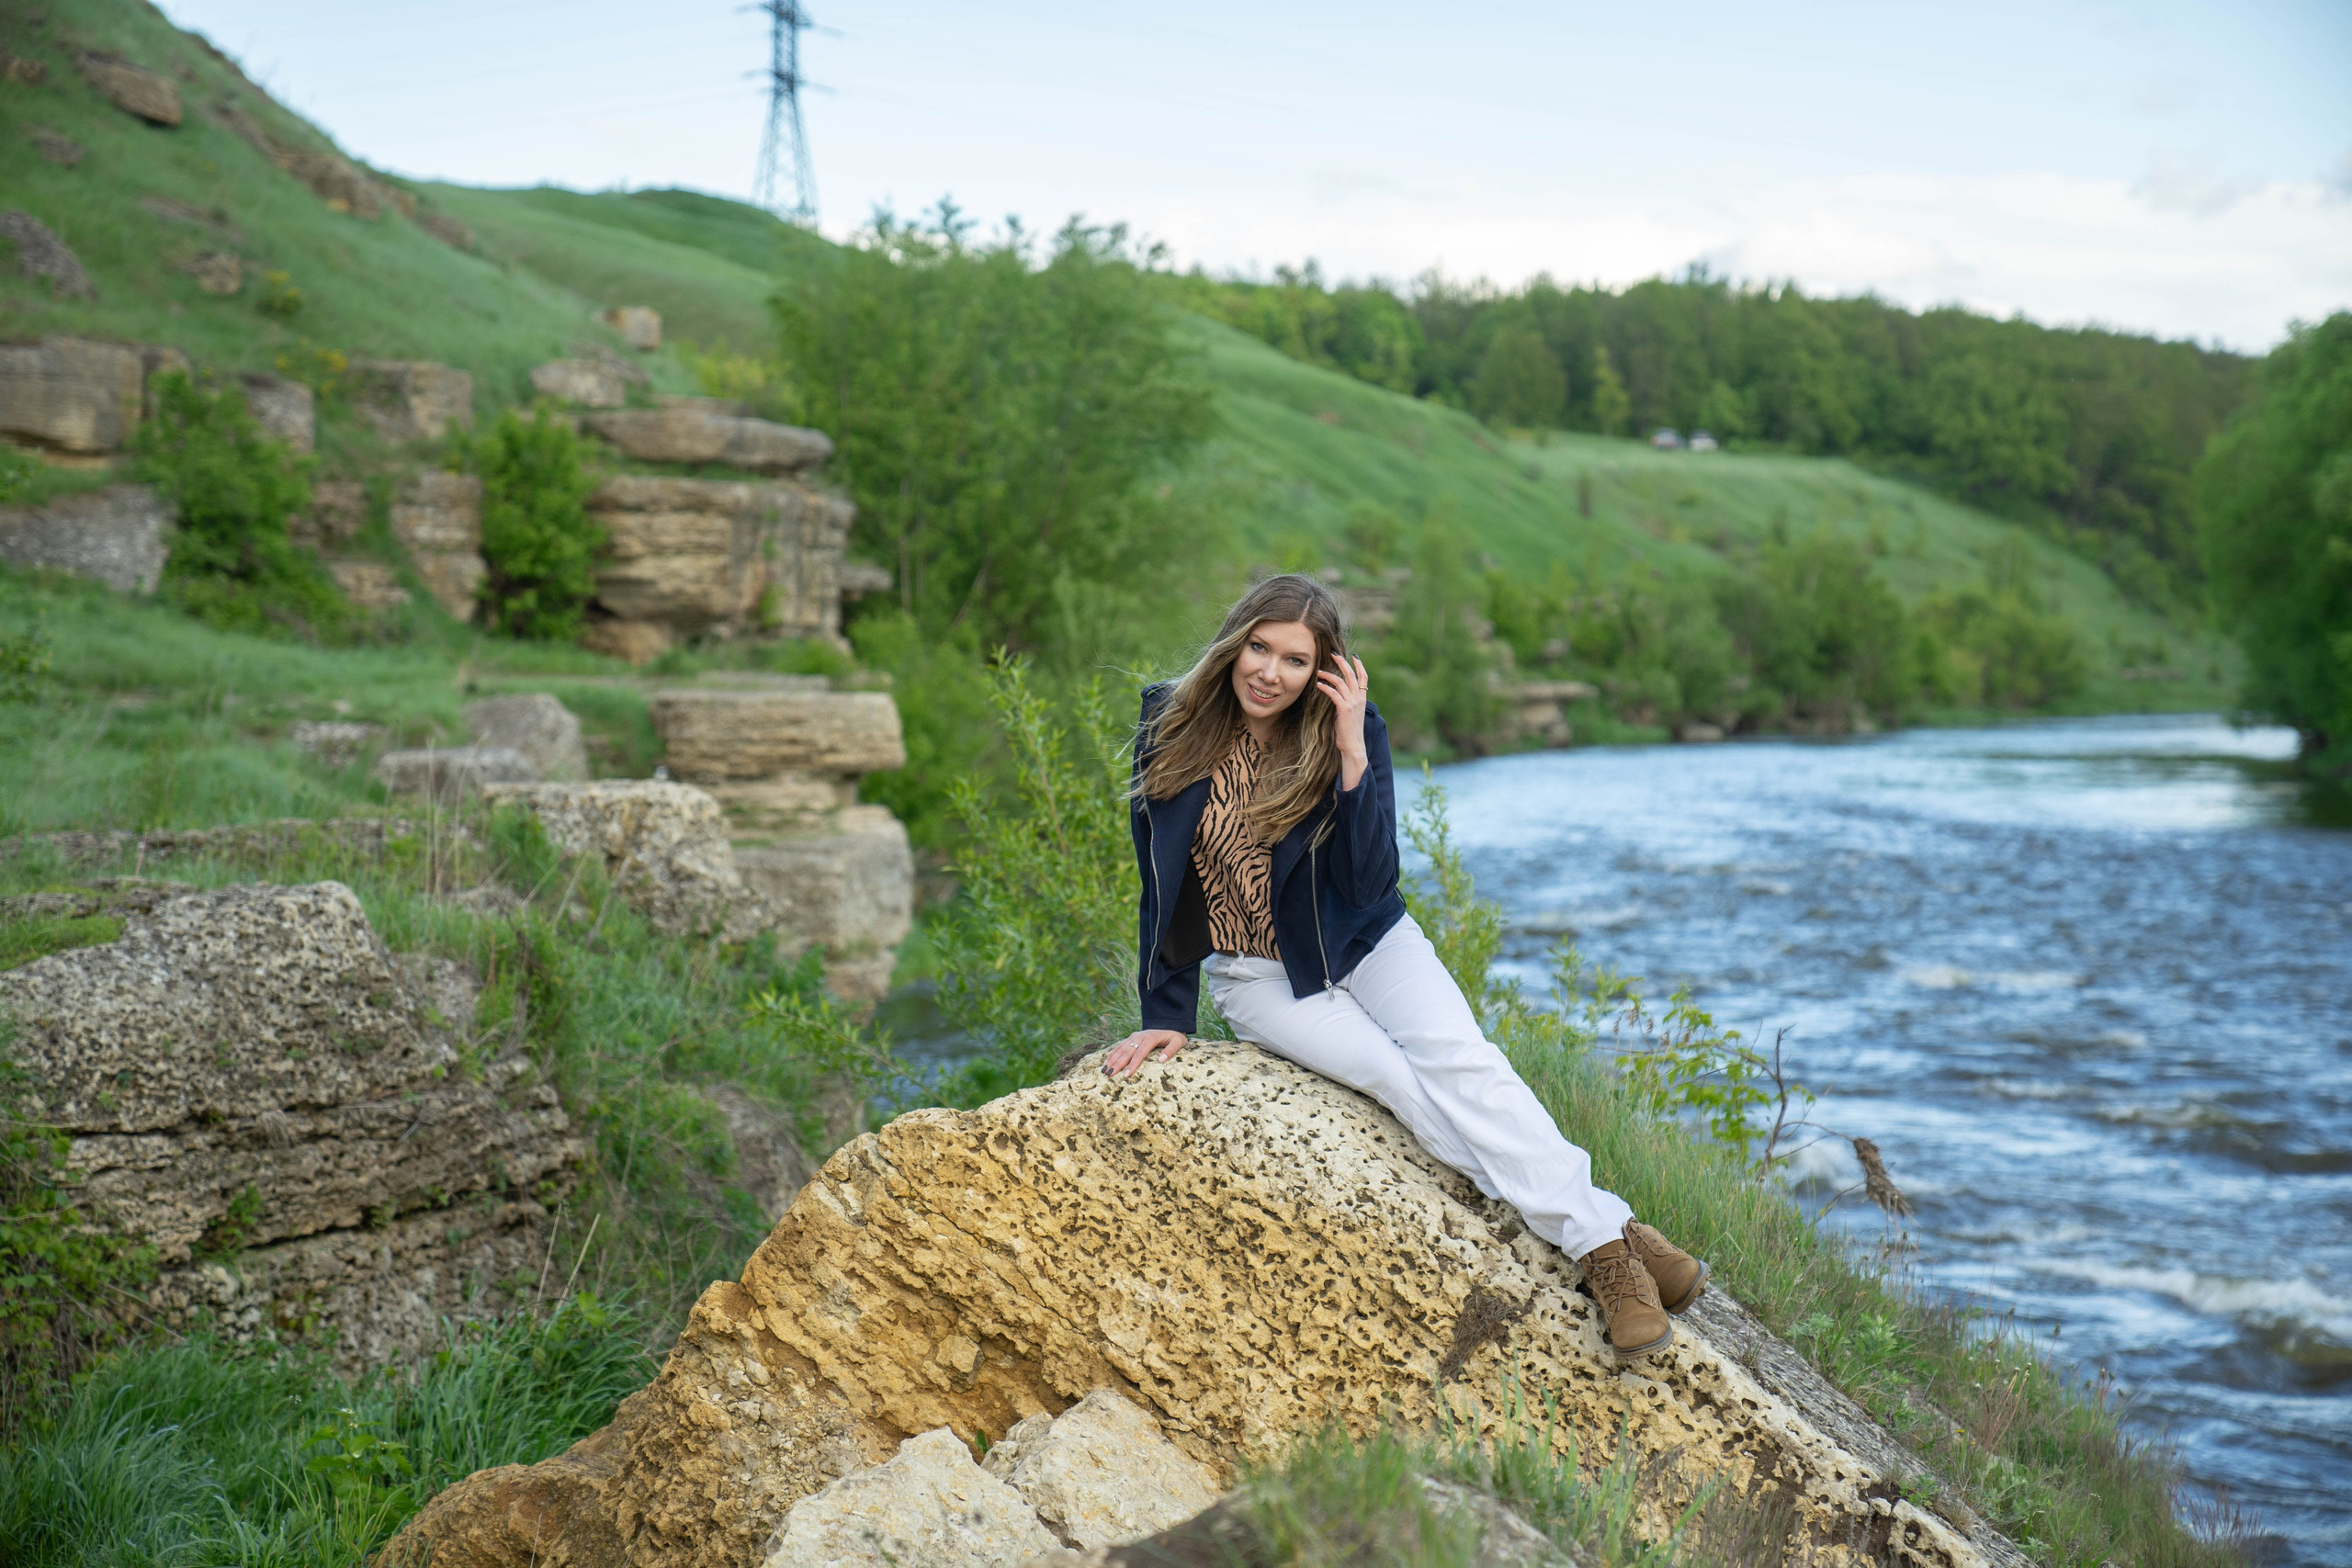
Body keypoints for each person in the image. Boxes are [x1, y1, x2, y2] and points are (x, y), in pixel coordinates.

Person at [1103, 574, 1709, 1359]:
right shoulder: (1170, 718)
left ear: (1321, 670)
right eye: (1260, 647)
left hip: (1369, 942)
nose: (1269, 673)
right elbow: (1158, 876)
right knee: (1394, 1080)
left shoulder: (1347, 728)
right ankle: (1616, 1227)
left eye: (1294, 660)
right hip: (1257, 976)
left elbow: (1367, 881)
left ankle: (1603, 1253)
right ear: (1235, 639)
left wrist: (1352, 754)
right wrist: (1166, 1013)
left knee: (1463, 1063)